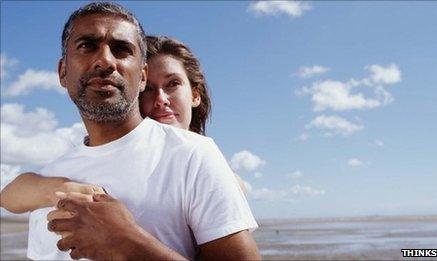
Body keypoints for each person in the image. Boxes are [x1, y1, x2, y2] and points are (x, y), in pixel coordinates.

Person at [4, 2, 260, 260]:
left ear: (142, 76)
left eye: (121, 49)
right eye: (87, 46)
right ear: (62, 72)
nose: (105, 60)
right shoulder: (50, 176)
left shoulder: (194, 155)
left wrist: (127, 241)